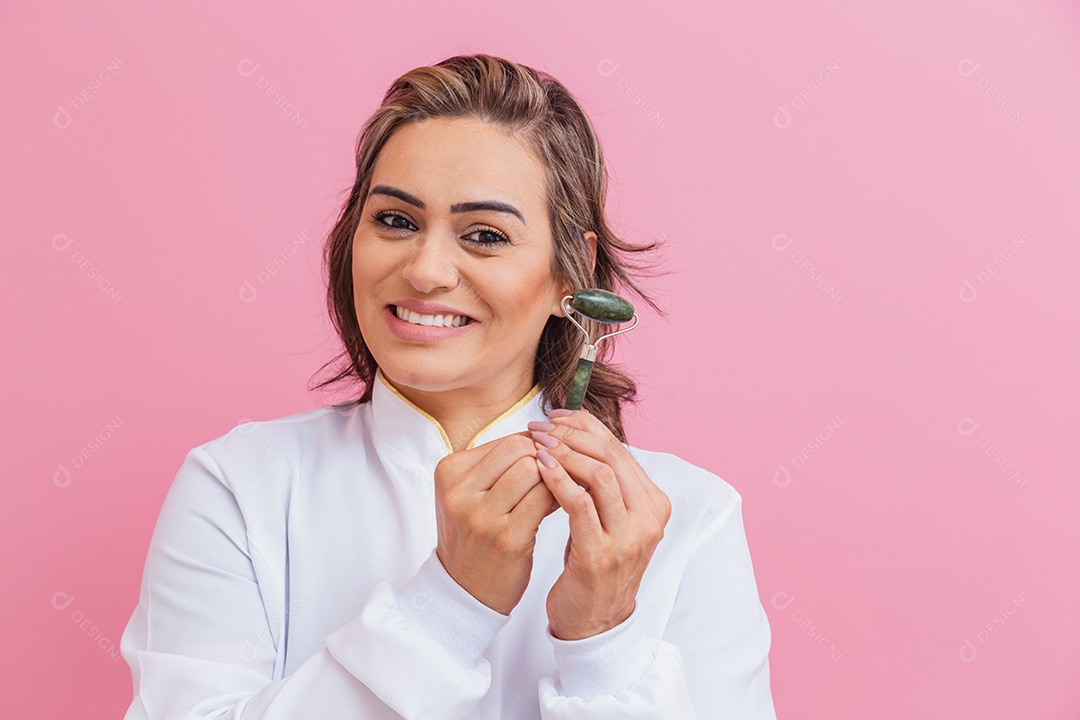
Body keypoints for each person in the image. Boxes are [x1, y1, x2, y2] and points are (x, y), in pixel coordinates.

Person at [119, 53, 777, 719]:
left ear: (568, 274)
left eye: (485, 235)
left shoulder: (692, 518)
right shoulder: (240, 485)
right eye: (396, 221)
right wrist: (449, 605)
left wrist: (604, 645)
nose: (427, 271)